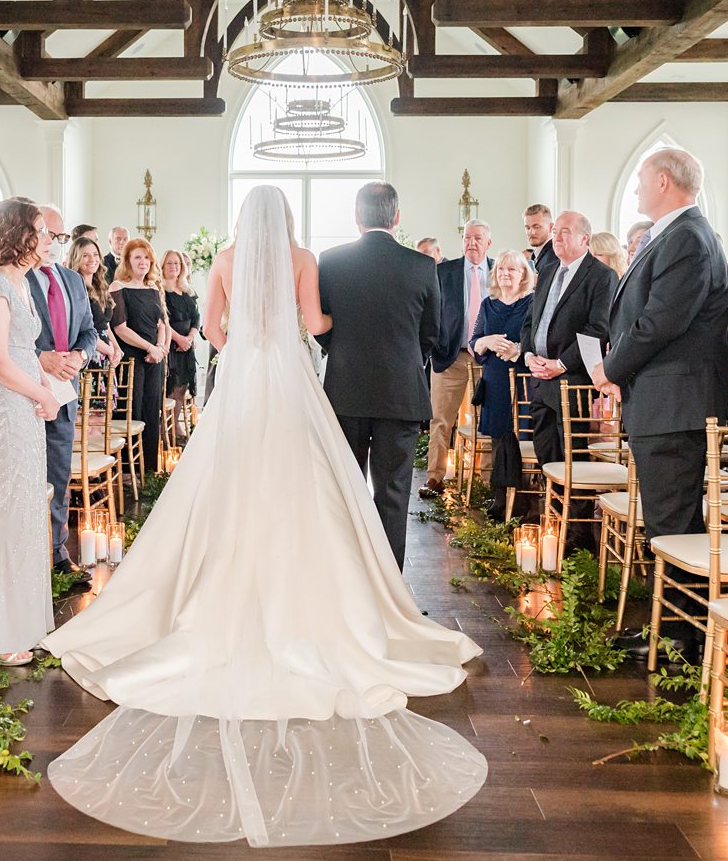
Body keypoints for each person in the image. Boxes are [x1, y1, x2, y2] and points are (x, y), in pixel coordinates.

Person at [39, 185, 484, 847]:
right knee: (312, 486)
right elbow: (316, 325)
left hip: (242, 380)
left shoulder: (222, 257)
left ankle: (221, 583)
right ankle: (324, 591)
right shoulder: (303, 256)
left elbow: (214, 330)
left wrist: (246, 336)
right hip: (293, 380)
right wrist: (307, 328)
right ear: (287, 221)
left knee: (226, 483)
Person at [590, 149, 728, 664]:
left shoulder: (688, 240)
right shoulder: (677, 235)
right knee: (666, 522)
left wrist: (610, 368)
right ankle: (668, 626)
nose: (635, 191)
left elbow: (660, 321)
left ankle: (679, 636)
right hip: (664, 399)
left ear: (665, 181)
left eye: (639, 182)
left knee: (673, 524)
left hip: (677, 403)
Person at [317, 181, 440, 569]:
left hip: (345, 392)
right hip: (401, 395)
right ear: (397, 217)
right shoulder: (422, 265)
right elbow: (431, 333)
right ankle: (388, 586)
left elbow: (323, 327)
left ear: (356, 218)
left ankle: (348, 577)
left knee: (346, 491)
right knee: (393, 493)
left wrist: (343, 356)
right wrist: (403, 363)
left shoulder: (331, 260)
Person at [0, 199, 61, 666]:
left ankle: (24, 621)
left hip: (23, 404)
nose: (48, 239)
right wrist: (41, 395)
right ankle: (4, 633)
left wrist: (46, 388)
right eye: (41, 231)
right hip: (2, 409)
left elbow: (26, 352)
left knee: (28, 508)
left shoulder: (22, 285)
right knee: (8, 511)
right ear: (18, 236)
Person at [26, 204, 96, 574]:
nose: (54, 243)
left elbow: (89, 329)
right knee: (27, 479)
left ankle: (56, 554)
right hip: (25, 394)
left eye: (60, 237)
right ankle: (27, 559)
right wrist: (42, 357)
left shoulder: (71, 279)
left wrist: (80, 356)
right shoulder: (16, 278)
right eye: (49, 235)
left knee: (58, 475)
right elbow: (5, 338)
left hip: (65, 391)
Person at [518, 212, 616, 470]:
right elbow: (530, 322)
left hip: (571, 380)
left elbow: (598, 329)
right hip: (539, 377)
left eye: (565, 232)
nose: (557, 237)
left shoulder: (601, 276)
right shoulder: (548, 270)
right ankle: (552, 509)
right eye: (556, 231)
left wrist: (561, 363)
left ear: (585, 238)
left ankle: (575, 509)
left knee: (573, 456)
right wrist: (529, 356)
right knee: (545, 451)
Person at [421, 221, 492, 498]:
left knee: (484, 420)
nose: (471, 243)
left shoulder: (499, 270)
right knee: (440, 419)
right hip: (450, 356)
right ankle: (434, 478)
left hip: (487, 359)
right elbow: (430, 313)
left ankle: (485, 480)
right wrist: (436, 348)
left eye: (477, 238)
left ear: (488, 242)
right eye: (467, 238)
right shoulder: (443, 271)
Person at [470, 250, 535, 520]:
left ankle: (523, 502)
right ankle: (499, 500)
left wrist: (517, 350)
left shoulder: (532, 303)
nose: (506, 274)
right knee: (498, 439)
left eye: (512, 270)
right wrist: (487, 342)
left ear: (524, 275)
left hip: (523, 379)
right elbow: (474, 341)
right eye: (501, 269)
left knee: (522, 436)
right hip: (495, 380)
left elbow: (538, 340)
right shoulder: (488, 304)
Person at [110, 237, 168, 473]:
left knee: (152, 409)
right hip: (133, 358)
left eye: (146, 257)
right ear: (127, 261)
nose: (143, 262)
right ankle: (128, 472)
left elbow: (162, 323)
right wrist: (149, 348)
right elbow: (120, 328)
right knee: (133, 411)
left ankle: (149, 469)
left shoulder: (153, 288)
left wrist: (161, 347)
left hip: (155, 359)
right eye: (137, 257)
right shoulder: (117, 287)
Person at [160, 249, 200, 441]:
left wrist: (190, 338)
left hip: (186, 348)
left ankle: (174, 425)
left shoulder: (187, 290)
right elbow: (163, 320)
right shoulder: (159, 290)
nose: (174, 267)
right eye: (169, 263)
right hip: (171, 345)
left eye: (177, 263)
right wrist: (179, 339)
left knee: (181, 389)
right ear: (162, 266)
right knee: (169, 389)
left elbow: (196, 319)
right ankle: (165, 428)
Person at [68, 235, 122, 366]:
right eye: (85, 255)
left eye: (95, 254)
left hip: (107, 355)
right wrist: (108, 350)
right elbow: (83, 328)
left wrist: (117, 348)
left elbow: (105, 326)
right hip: (88, 353)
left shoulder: (101, 287)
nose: (92, 259)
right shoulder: (75, 289)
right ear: (76, 258)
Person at [524, 203, 558, 277]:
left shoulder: (556, 254)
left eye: (536, 227)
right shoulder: (535, 254)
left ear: (551, 227)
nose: (531, 232)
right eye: (527, 227)